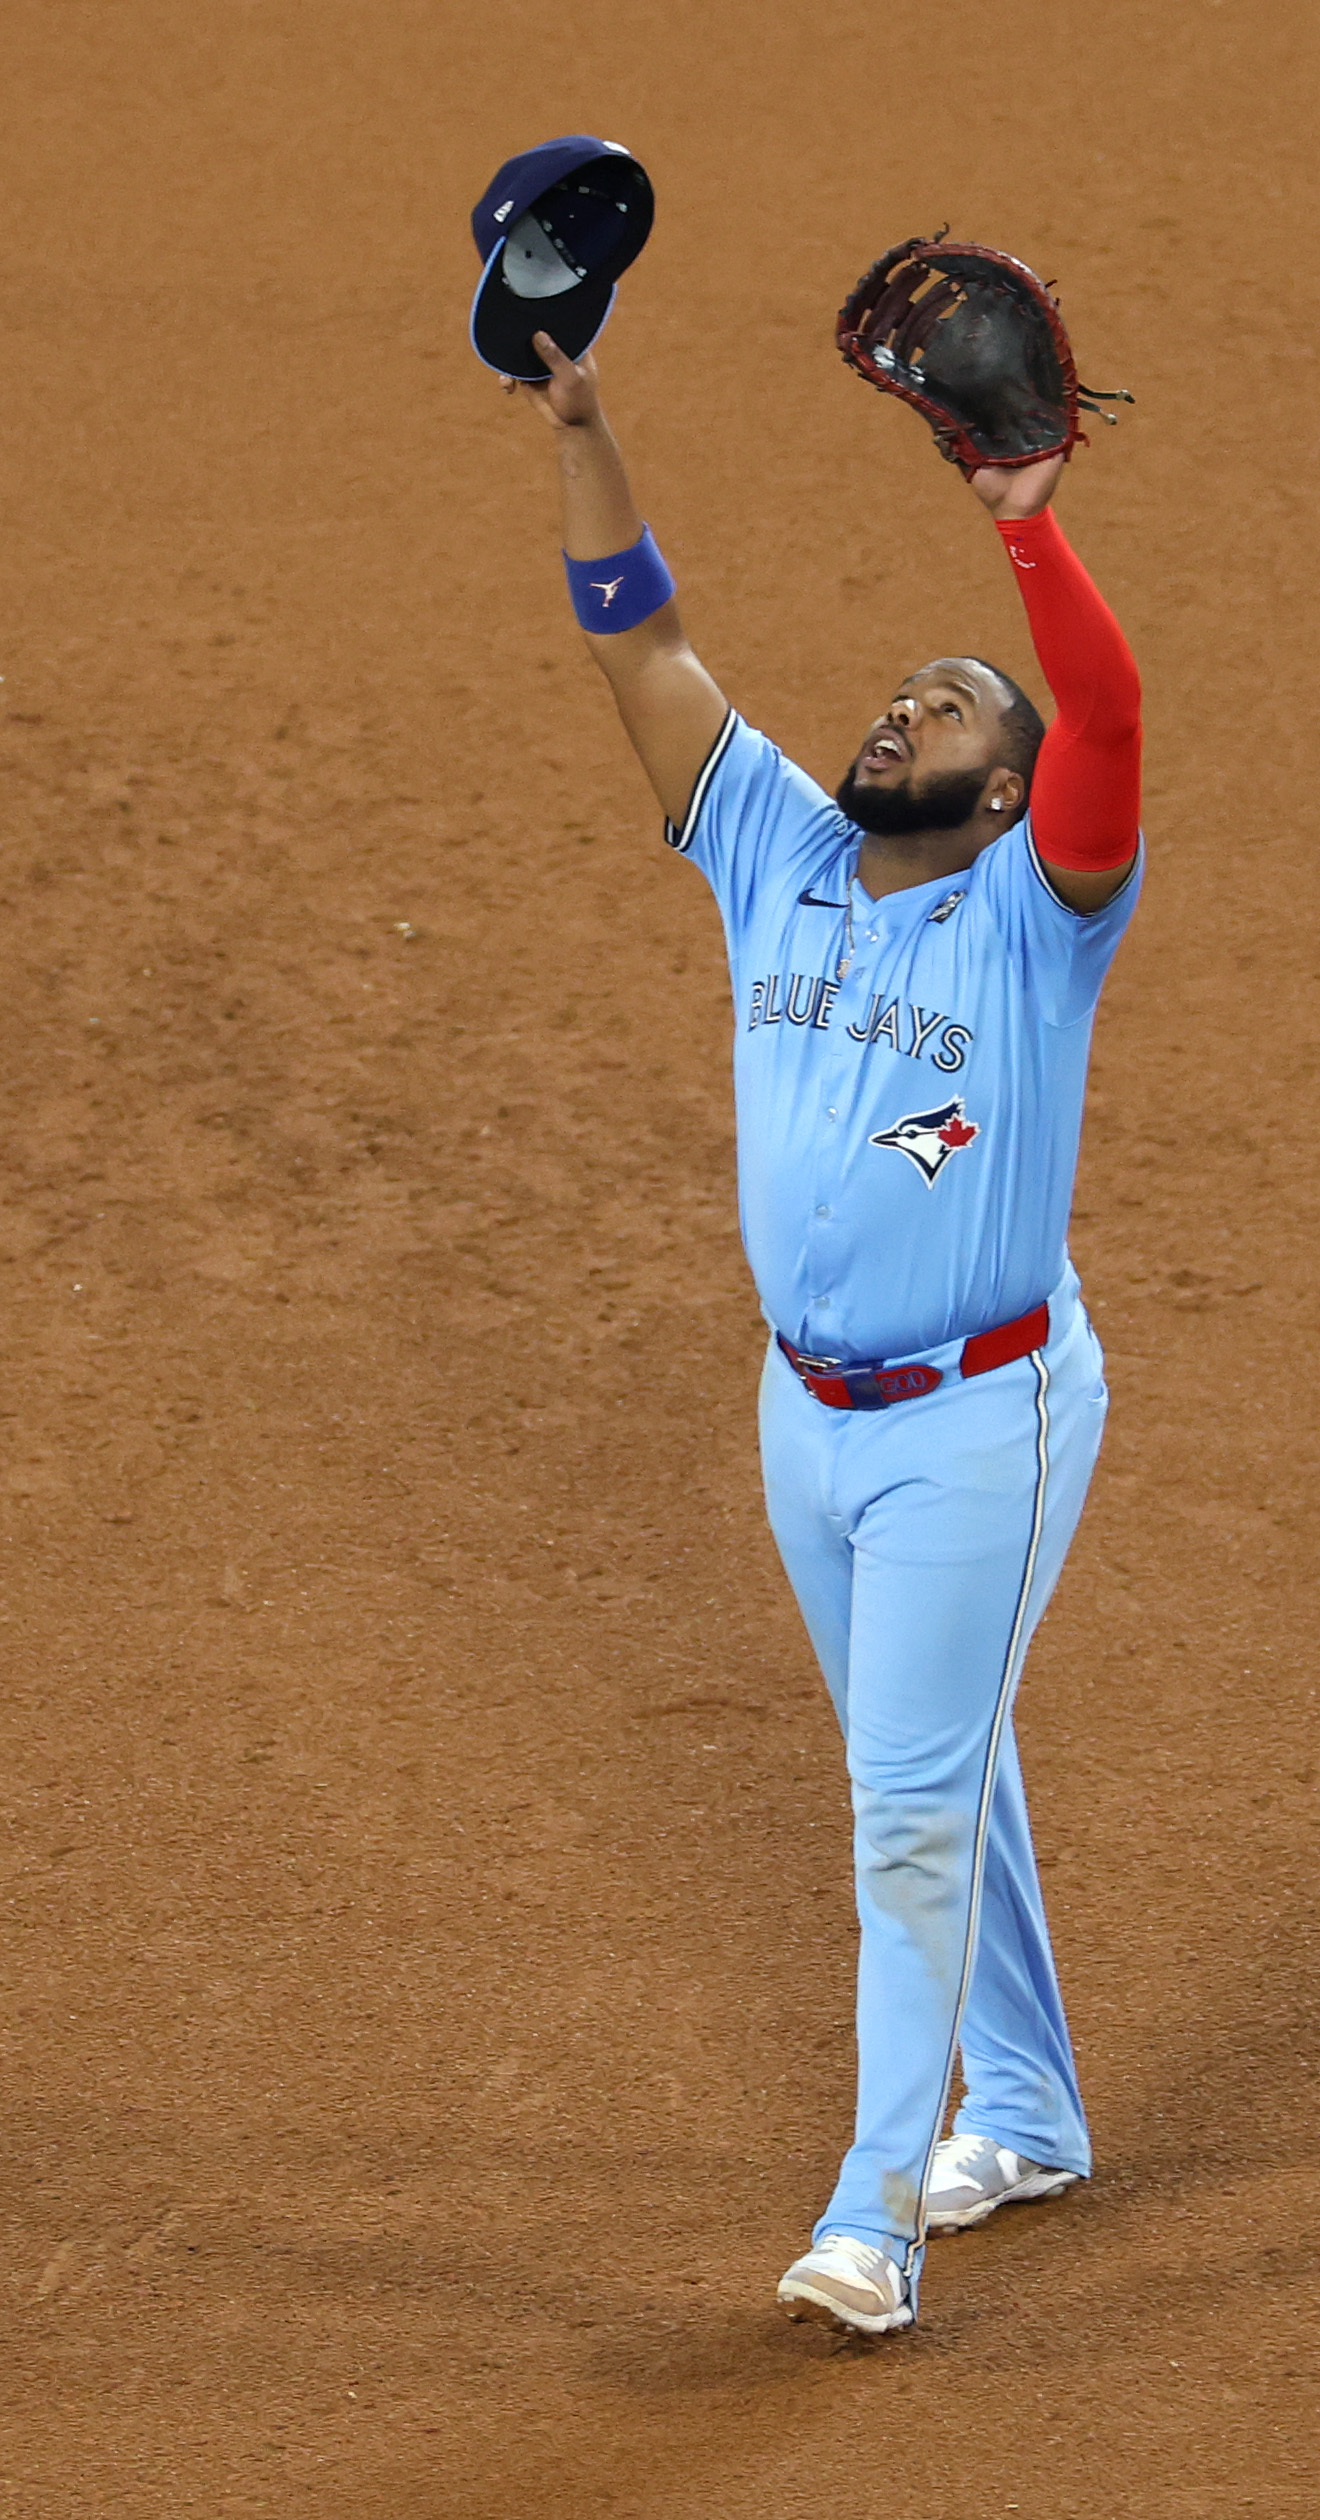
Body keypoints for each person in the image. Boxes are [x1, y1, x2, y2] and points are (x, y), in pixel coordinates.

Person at [505, 329, 1147, 2336]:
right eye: (896, 692)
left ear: (1015, 785)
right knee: (928, 1759)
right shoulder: (780, 855)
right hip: (807, 1420)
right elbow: (639, 640)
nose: (903, 710)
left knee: (901, 1804)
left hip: (983, 1417)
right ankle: (1027, 2110)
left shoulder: (1042, 918)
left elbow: (1113, 712)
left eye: (954, 706)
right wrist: (590, 434)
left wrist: (1031, 540)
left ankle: (874, 2211)